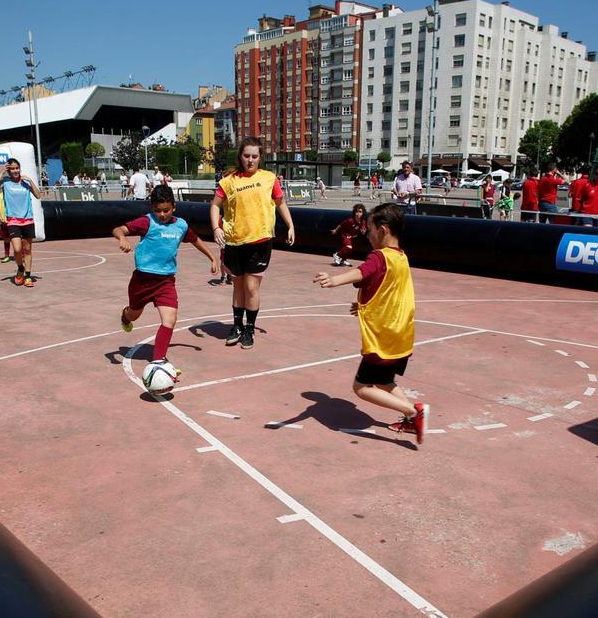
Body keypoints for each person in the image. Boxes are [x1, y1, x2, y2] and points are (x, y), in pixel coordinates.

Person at [312, 203, 427, 444]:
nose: (367, 233)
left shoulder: (380, 256)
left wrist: (334, 280)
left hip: (383, 337)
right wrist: (366, 307)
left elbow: (362, 272)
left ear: (383, 230)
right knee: (385, 381)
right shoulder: (401, 257)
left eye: (371, 228)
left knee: (361, 387)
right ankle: (412, 419)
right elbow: (389, 293)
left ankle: (413, 412)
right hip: (400, 333)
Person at [115, 184, 219, 374]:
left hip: (165, 282)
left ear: (174, 207)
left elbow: (195, 240)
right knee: (134, 315)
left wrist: (212, 257)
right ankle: (126, 314)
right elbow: (118, 229)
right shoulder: (146, 222)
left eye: (166, 210)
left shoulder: (181, 225)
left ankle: (158, 361)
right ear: (151, 208)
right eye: (157, 210)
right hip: (142, 280)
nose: (162, 214)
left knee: (170, 319)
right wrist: (122, 238)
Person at [210, 136, 296, 350]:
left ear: (260, 158)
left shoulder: (269, 178)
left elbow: (280, 202)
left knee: (251, 287)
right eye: (246, 155)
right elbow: (214, 206)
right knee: (237, 286)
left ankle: (250, 328)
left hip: (260, 241)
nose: (250, 160)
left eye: (254, 156)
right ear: (240, 156)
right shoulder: (228, 181)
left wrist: (291, 225)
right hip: (234, 241)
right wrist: (216, 227)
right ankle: (237, 326)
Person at [0, 158, 40, 287]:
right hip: (13, 220)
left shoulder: (25, 182)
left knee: (28, 249)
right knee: (18, 249)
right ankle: (20, 268)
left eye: (17, 168)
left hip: (28, 220)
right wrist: (1, 173)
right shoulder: (6, 182)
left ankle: (28, 276)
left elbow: (38, 195)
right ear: (9, 170)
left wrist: (30, 181)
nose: (15, 171)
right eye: (12, 168)